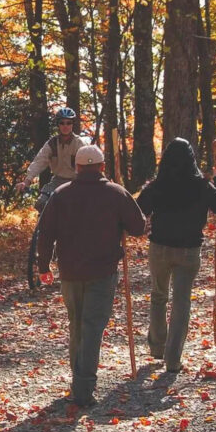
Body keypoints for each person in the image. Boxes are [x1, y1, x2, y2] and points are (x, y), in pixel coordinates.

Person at [36, 144, 146, 407]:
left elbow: (45, 233)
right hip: (102, 272)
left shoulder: (61, 195)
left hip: (70, 272)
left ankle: (79, 380)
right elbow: (139, 227)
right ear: (102, 167)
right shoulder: (116, 193)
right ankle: (83, 388)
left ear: (77, 167)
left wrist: (43, 267)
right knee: (92, 327)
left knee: (77, 325)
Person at [135, 138, 216, 374]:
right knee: (181, 302)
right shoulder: (201, 185)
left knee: (159, 296)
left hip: (159, 248)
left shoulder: (158, 185)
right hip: (188, 251)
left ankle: (157, 347)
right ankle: (172, 358)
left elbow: (139, 210)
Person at [16, 106, 89, 210]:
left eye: (69, 123)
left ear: (73, 124)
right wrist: (27, 181)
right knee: (41, 204)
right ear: (58, 125)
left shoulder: (80, 143)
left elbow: (89, 165)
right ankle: (43, 226)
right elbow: (39, 161)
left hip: (76, 182)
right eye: (62, 123)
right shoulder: (52, 143)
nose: (65, 126)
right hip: (57, 181)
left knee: (82, 208)